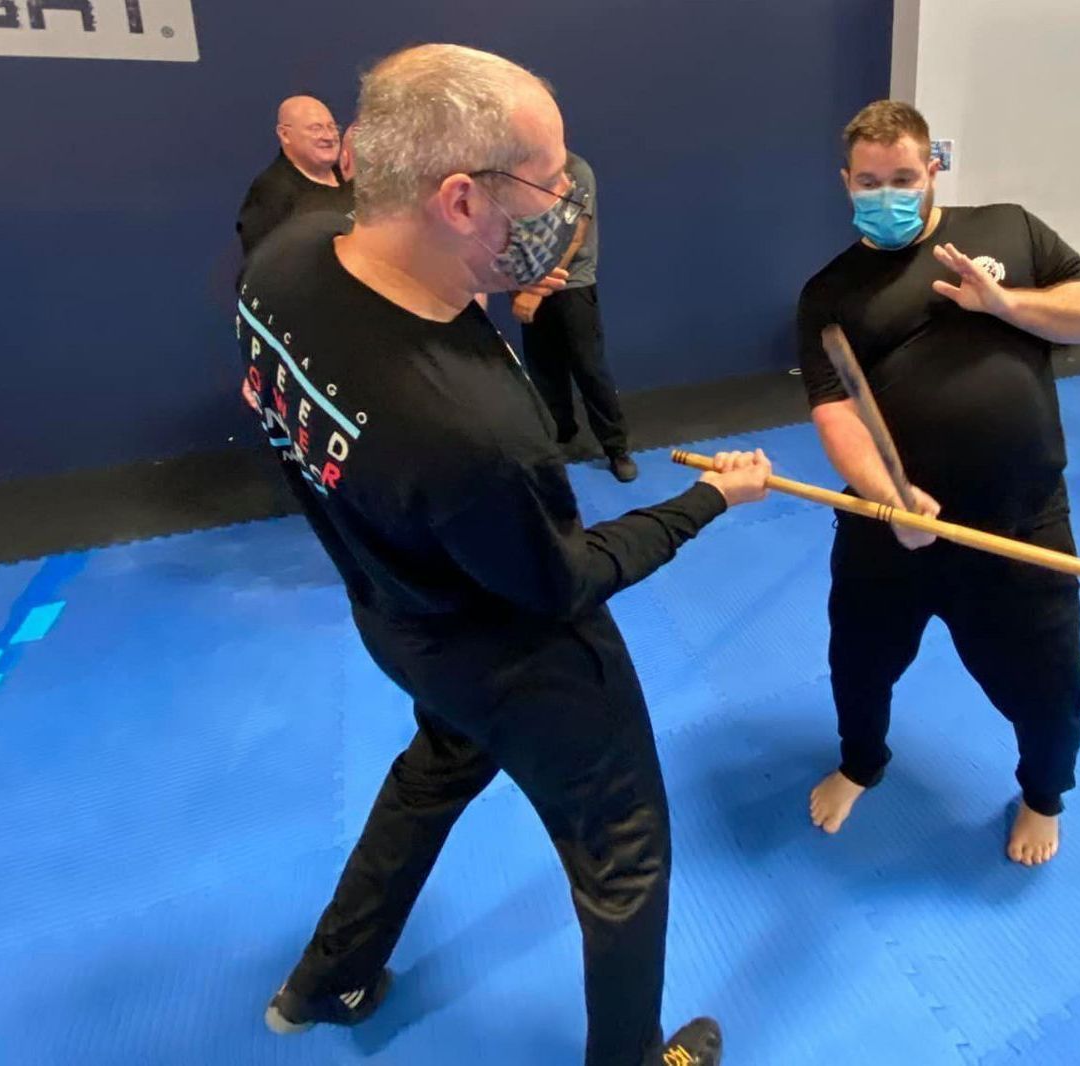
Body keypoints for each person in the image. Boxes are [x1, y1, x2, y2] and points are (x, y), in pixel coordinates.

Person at [237, 44, 768, 1066]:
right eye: (548, 180)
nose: (564, 200)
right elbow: (559, 579)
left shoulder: (286, 262)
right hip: (525, 660)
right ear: (459, 199)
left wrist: (481, 295)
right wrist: (709, 499)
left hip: (400, 616)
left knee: (438, 765)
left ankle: (328, 978)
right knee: (624, 858)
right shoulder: (475, 430)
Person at [796, 100, 1080, 867]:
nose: (888, 192)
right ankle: (862, 764)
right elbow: (837, 411)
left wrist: (1008, 304)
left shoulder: (1006, 229)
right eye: (869, 181)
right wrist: (890, 497)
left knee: (1049, 685)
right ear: (846, 182)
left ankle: (1044, 795)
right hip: (892, 523)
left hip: (1020, 520)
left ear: (932, 169)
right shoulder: (829, 292)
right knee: (859, 661)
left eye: (903, 177)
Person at [513, 150, 639, 482]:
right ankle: (561, 432)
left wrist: (533, 292)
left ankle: (616, 448)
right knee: (542, 364)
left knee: (588, 366)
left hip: (573, 283)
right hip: (531, 280)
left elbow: (573, 236)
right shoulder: (517, 170)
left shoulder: (576, 170)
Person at [236, 95, 355, 259]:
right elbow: (263, 267)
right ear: (284, 134)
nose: (328, 137)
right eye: (315, 128)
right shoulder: (271, 192)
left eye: (332, 127)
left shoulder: (350, 173)